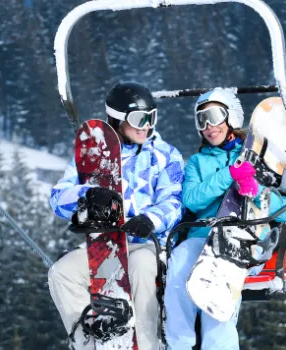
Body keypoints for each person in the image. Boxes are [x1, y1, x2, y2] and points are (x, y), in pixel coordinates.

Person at [48, 82, 185, 350]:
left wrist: (151, 219)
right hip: (106, 244)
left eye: (151, 117)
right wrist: (86, 195)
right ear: (117, 118)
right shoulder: (93, 157)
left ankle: (146, 344)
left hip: (149, 243)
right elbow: (57, 198)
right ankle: (89, 342)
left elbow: (173, 202)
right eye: (138, 119)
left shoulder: (165, 155)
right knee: (60, 273)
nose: (145, 125)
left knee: (141, 268)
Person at [164, 88, 286, 349]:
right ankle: (180, 344)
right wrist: (229, 175)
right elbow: (191, 198)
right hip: (200, 235)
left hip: (239, 235)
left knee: (219, 288)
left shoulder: (255, 156)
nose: (209, 126)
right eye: (202, 120)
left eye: (214, 116)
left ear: (230, 116)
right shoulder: (197, 163)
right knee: (178, 267)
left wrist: (256, 193)